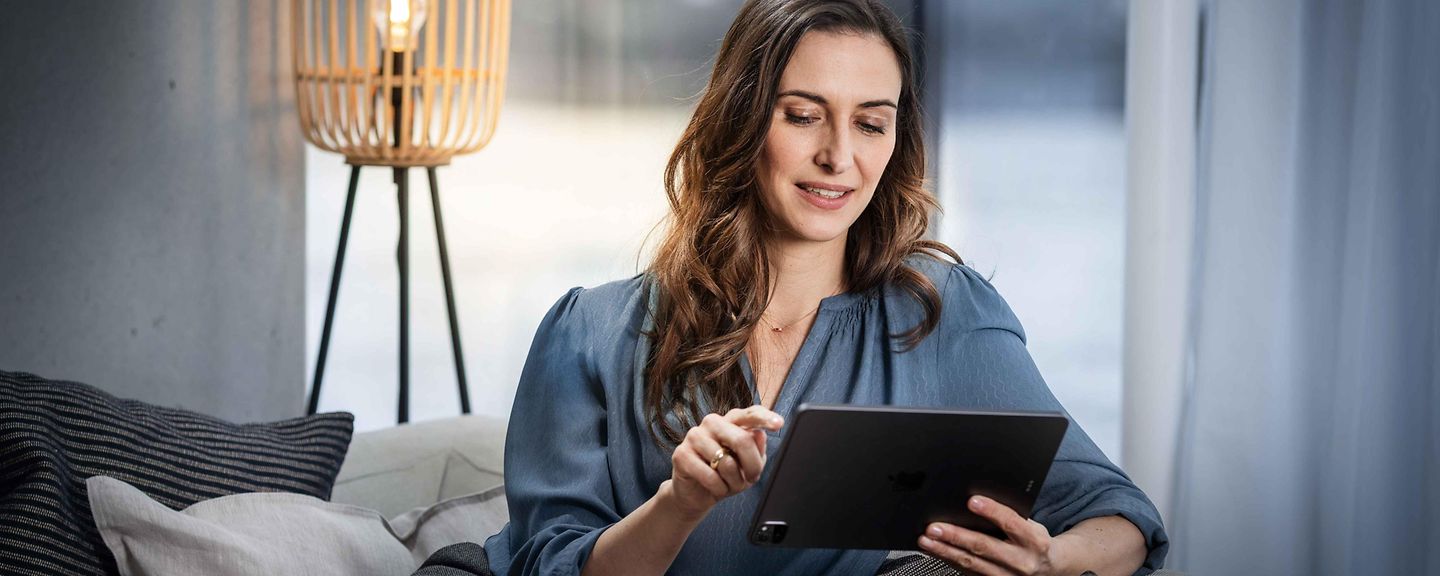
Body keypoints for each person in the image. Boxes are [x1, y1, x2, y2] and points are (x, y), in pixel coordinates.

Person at [483, 0, 1169, 574]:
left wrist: (1051, 561)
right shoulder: (590, 333)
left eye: (871, 122)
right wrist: (679, 504)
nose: (839, 157)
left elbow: (1122, 518)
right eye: (804, 114)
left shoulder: (941, 312)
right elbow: (550, 566)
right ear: (742, 119)